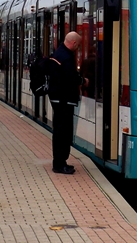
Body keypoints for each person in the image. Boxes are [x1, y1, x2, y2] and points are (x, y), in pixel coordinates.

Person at [48, 31, 84, 174]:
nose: (78, 48)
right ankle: (59, 163)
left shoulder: (58, 53)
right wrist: (82, 81)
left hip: (57, 98)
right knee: (63, 132)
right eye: (78, 45)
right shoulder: (67, 57)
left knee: (59, 130)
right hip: (64, 100)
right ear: (74, 43)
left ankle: (59, 161)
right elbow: (70, 78)